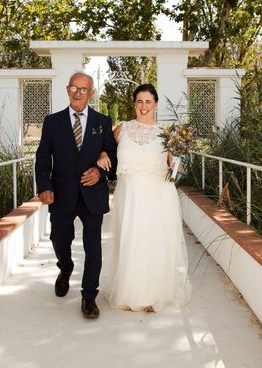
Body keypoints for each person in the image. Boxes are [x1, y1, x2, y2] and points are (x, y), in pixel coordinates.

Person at [97, 84, 191, 312]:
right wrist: (101, 155)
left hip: (158, 196)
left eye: (148, 102)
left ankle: (153, 296)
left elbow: (176, 167)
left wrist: (179, 160)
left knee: (153, 242)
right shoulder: (123, 129)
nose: (144, 106)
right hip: (128, 196)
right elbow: (104, 148)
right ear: (134, 104)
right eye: (140, 101)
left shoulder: (167, 133)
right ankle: (130, 294)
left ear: (156, 104)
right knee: (130, 240)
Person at [35, 72, 117, 319]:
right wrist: (44, 186)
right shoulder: (52, 122)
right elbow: (42, 157)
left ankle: (89, 296)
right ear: (67, 89)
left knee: (94, 249)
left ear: (92, 93)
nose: (79, 93)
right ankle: (65, 267)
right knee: (60, 239)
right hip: (61, 194)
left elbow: (114, 157)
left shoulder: (103, 121)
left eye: (84, 89)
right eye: (74, 88)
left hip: (93, 195)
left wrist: (100, 174)